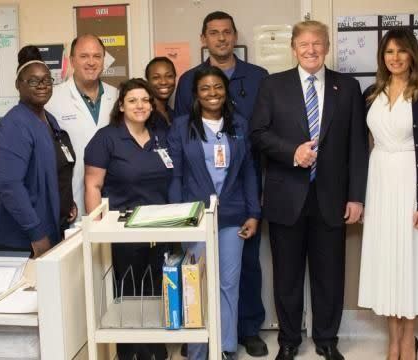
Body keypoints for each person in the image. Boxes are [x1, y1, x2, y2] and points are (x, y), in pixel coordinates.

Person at [250, 20, 368, 360]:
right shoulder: (273, 86)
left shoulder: (347, 87)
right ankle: (288, 340)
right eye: (304, 44)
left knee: (329, 276)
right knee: (286, 276)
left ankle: (327, 339)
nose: (311, 49)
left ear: (327, 46)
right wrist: (292, 153)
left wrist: (356, 196)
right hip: (286, 196)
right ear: (294, 47)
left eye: (318, 43)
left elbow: (357, 146)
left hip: (332, 198)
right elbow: (258, 134)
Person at [175, 11, 269, 356]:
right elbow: (181, 156)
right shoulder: (187, 83)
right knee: (196, 278)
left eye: (226, 32)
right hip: (197, 204)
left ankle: (241, 334)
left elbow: (255, 150)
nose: (221, 38)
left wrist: (254, 207)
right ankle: (199, 343)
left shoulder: (258, 78)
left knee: (243, 269)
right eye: (213, 33)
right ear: (204, 39)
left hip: (238, 197)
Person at [357, 28, 418, 360]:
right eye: (389, 52)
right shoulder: (370, 94)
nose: (395, 58)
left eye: (401, 51)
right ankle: (392, 342)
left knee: (411, 263)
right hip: (380, 184)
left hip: (411, 182)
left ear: (412, 56)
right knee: (387, 264)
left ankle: (409, 343)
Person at [84, 78, 171, 360]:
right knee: (130, 292)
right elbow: (93, 186)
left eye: (145, 100)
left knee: (157, 289)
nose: (140, 105)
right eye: (132, 100)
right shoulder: (106, 138)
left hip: (160, 228)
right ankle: (132, 352)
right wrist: (97, 231)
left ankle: (156, 349)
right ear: (121, 106)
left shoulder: (161, 135)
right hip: (122, 231)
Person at [0, 45, 75, 256]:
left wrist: (66, 203)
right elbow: (9, 185)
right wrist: (37, 235)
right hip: (13, 235)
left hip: (45, 225)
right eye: (33, 81)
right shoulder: (14, 124)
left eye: (47, 80)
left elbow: (54, 169)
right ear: (18, 85)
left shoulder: (49, 120)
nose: (42, 86)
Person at [47, 34, 118, 214]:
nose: (91, 62)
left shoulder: (117, 96)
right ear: (72, 60)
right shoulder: (52, 99)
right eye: (84, 56)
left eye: (97, 56)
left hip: (114, 192)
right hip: (70, 196)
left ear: (103, 60)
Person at [145, 56, 177, 131]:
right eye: (156, 77)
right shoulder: (144, 115)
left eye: (169, 76)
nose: (163, 82)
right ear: (148, 82)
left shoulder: (175, 115)